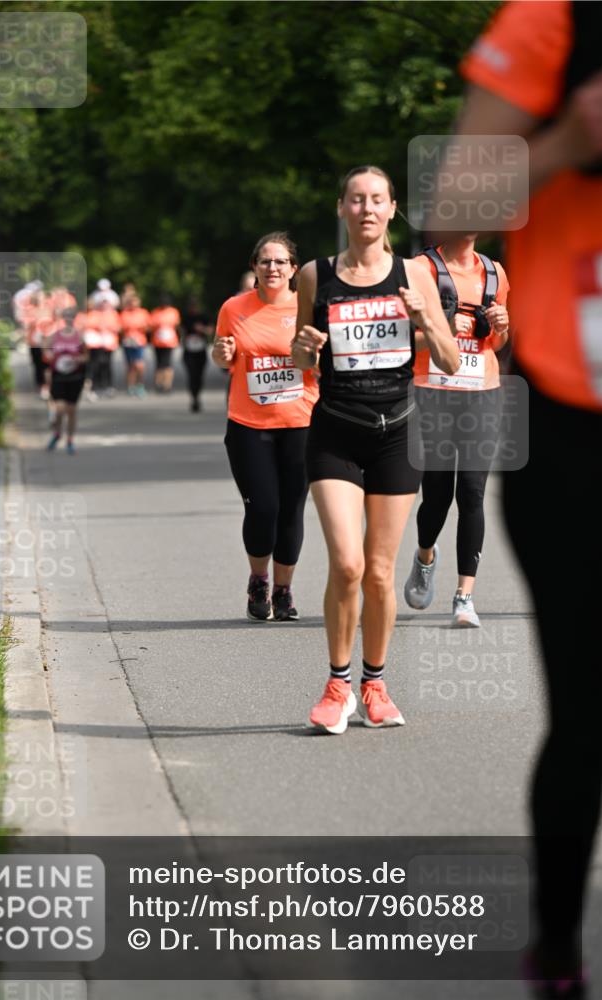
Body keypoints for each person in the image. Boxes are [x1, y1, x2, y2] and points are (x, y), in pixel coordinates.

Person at [446, 3, 601, 996]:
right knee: (588, 710)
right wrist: (566, 141)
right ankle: (555, 944)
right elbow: (449, 211)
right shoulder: (556, 19)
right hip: (575, 427)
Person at [292, 165, 459, 734]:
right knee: (347, 563)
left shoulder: (415, 273)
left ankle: (374, 683)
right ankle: (337, 685)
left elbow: (451, 361)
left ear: (391, 211)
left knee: (381, 574)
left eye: (377, 200)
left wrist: (423, 321)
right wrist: (305, 346)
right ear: (341, 208)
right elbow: (302, 361)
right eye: (356, 199)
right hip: (335, 430)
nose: (366, 208)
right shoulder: (315, 276)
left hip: (397, 433)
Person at [403, 234, 510, 627]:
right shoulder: (420, 269)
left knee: (472, 490)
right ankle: (425, 556)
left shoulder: (495, 273)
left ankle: (464, 597)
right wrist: (444, 327)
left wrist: (500, 324)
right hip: (434, 393)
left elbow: (497, 343)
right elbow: (401, 340)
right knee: (437, 497)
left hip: (482, 394)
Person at [212, 232, 319, 623]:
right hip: (248, 424)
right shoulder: (233, 307)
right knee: (263, 507)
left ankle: (283, 590)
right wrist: (221, 354)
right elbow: (223, 354)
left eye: (280, 262)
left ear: (293, 269)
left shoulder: (309, 307)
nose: (272, 268)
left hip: (301, 423)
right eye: (265, 262)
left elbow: (322, 364)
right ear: (254, 268)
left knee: (292, 509)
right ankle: (259, 579)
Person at [43, 307, 88, 454]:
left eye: (71, 317)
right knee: (60, 408)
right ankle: (57, 433)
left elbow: (86, 356)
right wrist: (49, 354)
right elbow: (45, 350)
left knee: (72, 410)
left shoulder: (79, 337)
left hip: (75, 377)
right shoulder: (54, 336)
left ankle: (70, 440)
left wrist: (78, 359)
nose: (68, 320)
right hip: (59, 376)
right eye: (66, 317)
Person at [181, 297, 213, 412]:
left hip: (200, 350)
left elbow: (210, 330)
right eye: (191, 306)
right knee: (191, 375)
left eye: (195, 306)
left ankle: (197, 396)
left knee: (199, 376)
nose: (193, 309)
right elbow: (181, 330)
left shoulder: (203, 316)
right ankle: (194, 398)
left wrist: (202, 329)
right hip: (189, 350)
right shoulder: (185, 317)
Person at [119, 294, 151, 397]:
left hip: (139, 342)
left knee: (139, 365)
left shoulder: (143, 313)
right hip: (128, 342)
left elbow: (149, 328)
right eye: (131, 302)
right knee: (130, 366)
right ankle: (130, 386)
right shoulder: (124, 313)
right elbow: (120, 328)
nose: (133, 304)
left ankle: (140, 385)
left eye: (135, 302)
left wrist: (142, 328)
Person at [150, 294, 181, 393]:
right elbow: (151, 325)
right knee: (159, 363)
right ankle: (158, 384)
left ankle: (167, 385)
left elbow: (176, 324)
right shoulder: (155, 312)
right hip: (157, 341)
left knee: (167, 363)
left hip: (169, 342)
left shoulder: (173, 312)